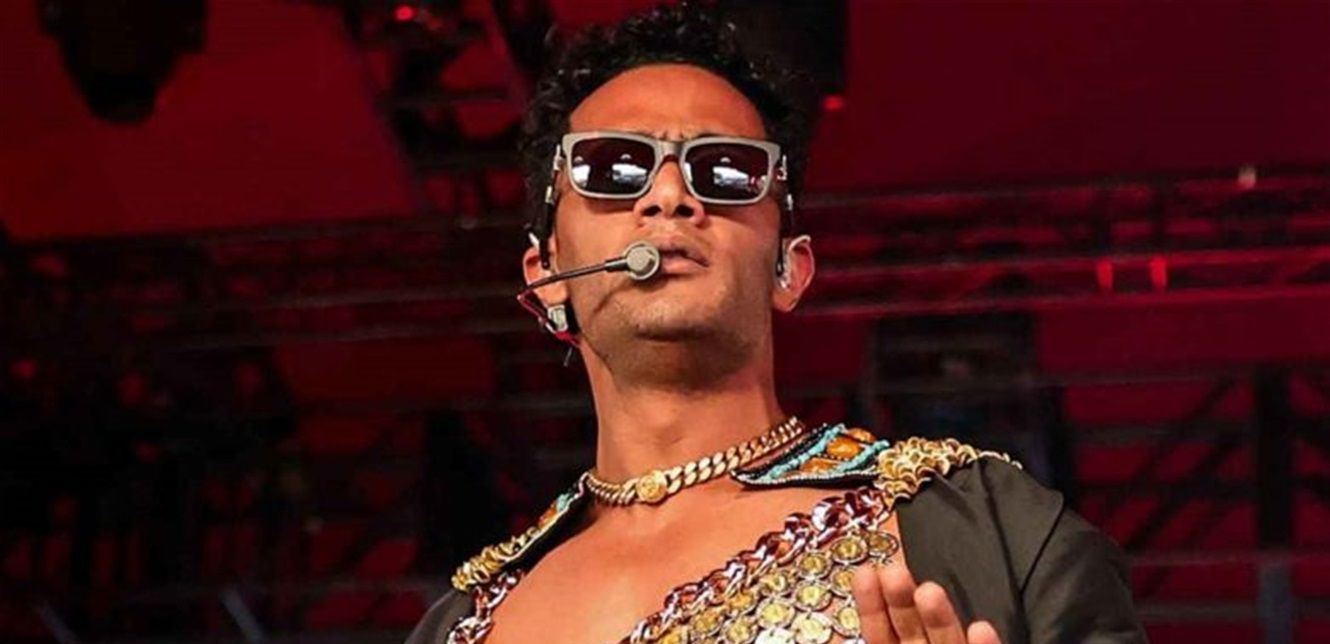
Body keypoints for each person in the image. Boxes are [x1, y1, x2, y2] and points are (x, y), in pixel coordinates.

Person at [407, 4, 1144, 643]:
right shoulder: (467, 622)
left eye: (727, 171)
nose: (669, 196)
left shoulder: (991, 528)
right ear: (545, 273)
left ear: (791, 269)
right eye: (613, 168)